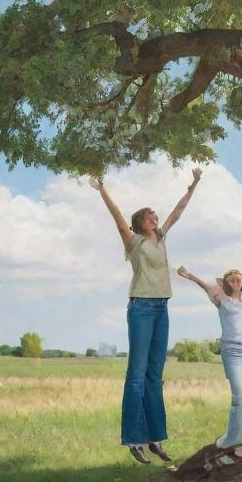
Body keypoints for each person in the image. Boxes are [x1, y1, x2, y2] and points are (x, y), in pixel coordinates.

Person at [90, 167, 203, 464]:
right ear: (140, 224)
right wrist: (102, 190)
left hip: (162, 308)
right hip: (141, 308)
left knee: (155, 376)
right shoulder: (134, 242)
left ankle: (155, 438)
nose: (156, 218)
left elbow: (177, 213)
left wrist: (194, 185)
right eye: (150, 216)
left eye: (156, 216)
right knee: (137, 376)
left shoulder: (161, 238)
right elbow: (116, 216)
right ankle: (134, 439)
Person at [177, 244, 242, 463]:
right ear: (226, 283)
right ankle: (232, 439)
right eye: (232, 280)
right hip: (232, 352)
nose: (237, 282)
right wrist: (188, 275)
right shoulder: (221, 301)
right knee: (240, 399)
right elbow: (204, 286)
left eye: (239, 279)